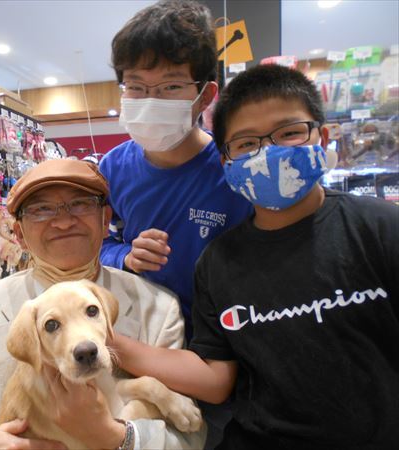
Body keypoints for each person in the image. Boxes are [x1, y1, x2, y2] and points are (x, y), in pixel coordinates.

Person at [110, 64, 399, 450]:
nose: (269, 153)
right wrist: (106, 340)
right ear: (226, 162)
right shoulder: (217, 263)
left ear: (323, 137)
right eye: (247, 143)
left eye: (289, 133)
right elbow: (214, 379)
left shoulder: (379, 228)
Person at [0, 159, 207, 450]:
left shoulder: (158, 308)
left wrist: (121, 438)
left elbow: (189, 437)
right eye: (41, 209)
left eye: (80, 204)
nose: (64, 221)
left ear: (105, 219)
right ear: (19, 234)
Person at [99, 0, 252, 340]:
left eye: (170, 87)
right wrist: (126, 255)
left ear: (205, 95)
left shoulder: (234, 168)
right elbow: (97, 243)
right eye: (136, 86)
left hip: (225, 340)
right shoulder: (112, 168)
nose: (150, 100)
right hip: (145, 338)